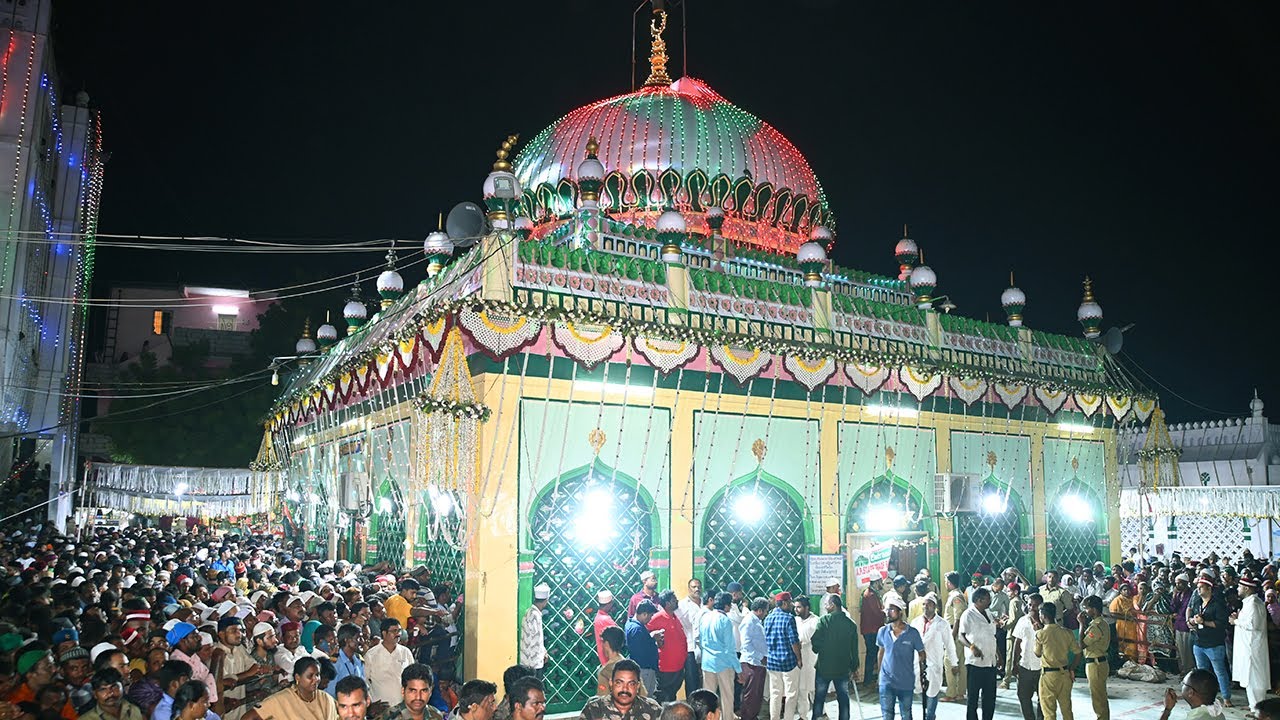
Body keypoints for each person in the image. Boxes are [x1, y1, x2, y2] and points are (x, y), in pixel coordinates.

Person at [243, 657, 339, 720]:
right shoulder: (282, 699)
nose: (316, 680)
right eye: (310, 676)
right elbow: (248, 717)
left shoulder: (325, 699)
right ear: (297, 677)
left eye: (317, 675)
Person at [875, 597, 923, 720]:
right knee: (887, 715)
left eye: (891, 609)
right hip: (887, 682)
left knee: (906, 715)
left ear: (900, 611)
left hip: (905, 682)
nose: (888, 612)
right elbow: (881, 653)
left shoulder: (912, 633)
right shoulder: (883, 631)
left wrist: (921, 673)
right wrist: (880, 676)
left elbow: (921, 653)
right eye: (887, 610)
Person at [810, 595, 857, 720]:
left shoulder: (824, 621)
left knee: (819, 697)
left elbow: (815, 641)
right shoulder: (851, 624)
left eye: (826, 604)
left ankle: (816, 718)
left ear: (833, 605)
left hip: (824, 667)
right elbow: (854, 649)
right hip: (842, 668)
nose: (825, 607)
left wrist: (817, 649)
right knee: (843, 697)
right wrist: (854, 667)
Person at [1188, 576, 1232, 707]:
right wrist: (1193, 621)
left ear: (1209, 588)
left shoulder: (1217, 605)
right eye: (1198, 587)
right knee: (1201, 673)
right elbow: (1191, 618)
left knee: (1220, 671)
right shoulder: (1197, 603)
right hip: (1199, 642)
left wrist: (1204, 622)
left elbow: (1221, 624)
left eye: (1201, 587)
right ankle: (1203, 697)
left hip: (1214, 644)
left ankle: (1226, 698)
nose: (1198, 589)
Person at [911, 594, 956, 720]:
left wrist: (954, 663)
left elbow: (949, 644)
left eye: (929, 604)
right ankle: (928, 712)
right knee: (918, 689)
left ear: (934, 606)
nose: (926, 607)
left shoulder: (942, 624)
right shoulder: (915, 623)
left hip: (934, 663)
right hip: (917, 663)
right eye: (924, 604)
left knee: (932, 691)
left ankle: (930, 715)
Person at [958, 587, 1000, 720]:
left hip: (990, 662)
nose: (990, 601)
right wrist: (971, 647)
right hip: (975, 663)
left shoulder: (988, 613)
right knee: (973, 699)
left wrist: (998, 654)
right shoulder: (968, 614)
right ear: (979, 600)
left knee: (989, 698)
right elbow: (961, 636)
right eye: (988, 598)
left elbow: (991, 636)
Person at [1033, 602, 1079, 720]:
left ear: (1043, 616)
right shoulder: (1067, 632)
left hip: (1048, 676)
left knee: (1049, 712)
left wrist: (1037, 634)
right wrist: (1072, 668)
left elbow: (1037, 653)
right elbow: (1078, 653)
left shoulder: (1041, 634)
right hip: (1064, 674)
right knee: (1067, 709)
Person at [1230, 577, 1270, 711]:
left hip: (1252, 648)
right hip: (1247, 647)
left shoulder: (1253, 603)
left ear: (1246, 588)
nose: (1237, 589)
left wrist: (1235, 621)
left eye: (1240, 587)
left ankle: (1258, 710)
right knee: (1249, 679)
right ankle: (1253, 705)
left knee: (1254, 679)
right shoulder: (1249, 603)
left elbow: (1253, 624)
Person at [698, 593, 740, 720]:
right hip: (724, 664)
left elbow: (701, 641)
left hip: (707, 663)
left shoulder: (705, 618)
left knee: (708, 698)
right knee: (727, 697)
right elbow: (730, 648)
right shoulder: (725, 620)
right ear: (727, 605)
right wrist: (738, 669)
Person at [579, 659, 662, 720]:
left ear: (638, 686)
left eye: (631, 684)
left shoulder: (652, 709)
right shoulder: (595, 708)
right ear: (611, 683)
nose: (625, 688)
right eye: (619, 683)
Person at [764, 591, 802, 720]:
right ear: (784, 603)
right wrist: (799, 658)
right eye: (790, 602)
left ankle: (774, 718)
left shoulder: (767, 618)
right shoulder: (789, 618)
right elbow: (794, 641)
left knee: (775, 693)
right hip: (788, 663)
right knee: (791, 694)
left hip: (772, 662)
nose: (792, 605)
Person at [366, 619, 416, 708]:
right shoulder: (371, 654)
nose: (398, 634)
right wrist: (371, 702)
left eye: (399, 630)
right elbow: (365, 680)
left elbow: (413, 677)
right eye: (394, 631)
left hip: (403, 706)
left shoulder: (405, 652)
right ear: (384, 633)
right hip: (380, 708)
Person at [649, 590, 689, 703]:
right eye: (674, 600)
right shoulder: (657, 618)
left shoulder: (675, 617)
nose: (677, 601)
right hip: (665, 668)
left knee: (672, 696)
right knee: (663, 697)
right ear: (667, 603)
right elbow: (646, 634)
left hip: (678, 667)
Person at [373, 663, 442, 720]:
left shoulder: (436, 715)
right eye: (412, 691)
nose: (418, 697)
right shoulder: (389, 717)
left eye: (424, 691)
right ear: (403, 691)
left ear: (430, 691)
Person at [1080, 596, 1110, 720]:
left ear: (1094, 609)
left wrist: (1081, 624)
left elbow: (1082, 644)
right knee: (1100, 696)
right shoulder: (1101, 623)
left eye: (1087, 608)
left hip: (1095, 664)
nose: (1085, 611)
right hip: (1098, 662)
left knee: (1098, 698)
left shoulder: (1096, 626)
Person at [739, 599, 769, 720]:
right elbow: (746, 644)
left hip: (757, 663)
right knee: (751, 694)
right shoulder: (749, 621)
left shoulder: (756, 621)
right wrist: (761, 657)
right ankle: (748, 717)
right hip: (751, 663)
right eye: (766, 611)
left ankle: (752, 716)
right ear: (760, 610)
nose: (766, 613)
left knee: (756, 694)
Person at [599, 627, 648, 697]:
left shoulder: (605, 672)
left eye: (602, 642)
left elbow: (603, 699)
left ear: (606, 644)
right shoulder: (631, 666)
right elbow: (643, 694)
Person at [79, 668, 146, 720]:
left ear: (122, 686)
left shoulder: (134, 710)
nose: (110, 693)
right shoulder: (87, 718)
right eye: (103, 689)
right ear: (95, 694)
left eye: (114, 687)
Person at [626, 601, 661, 696]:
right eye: (650, 616)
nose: (650, 619)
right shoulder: (637, 629)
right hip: (644, 669)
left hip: (643, 669)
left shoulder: (631, 624)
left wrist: (650, 637)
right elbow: (640, 652)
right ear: (644, 614)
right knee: (645, 697)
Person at [676, 579, 705, 695]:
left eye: (698, 587)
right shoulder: (682, 606)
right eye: (694, 587)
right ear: (689, 589)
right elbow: (677, 624)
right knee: (692, 679)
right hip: (690, 648)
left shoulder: (706, 604)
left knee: (705, 680)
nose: (697, 589)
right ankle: (692, 708)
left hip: (706, 648)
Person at [942, 571, 968, 703]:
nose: (945, 584)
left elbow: (958, 618)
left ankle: (951, 693)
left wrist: (952, 637)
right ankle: (960, 692)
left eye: (946, 581)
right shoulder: (955, 595)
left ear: (949, 583)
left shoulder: (956, 596)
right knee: (960, 663)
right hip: (956, 633)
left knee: (949, 661)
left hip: (954, 632)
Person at [1157, 669, 1221, 720]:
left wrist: (1167, 710)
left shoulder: (1196, 718)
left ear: (1191, 692)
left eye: (1183, 683)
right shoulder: (1218, 714)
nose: (1182, 686)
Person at [793, 597, 818, 720]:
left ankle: (821, 713)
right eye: (795, 607)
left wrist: (799, 642)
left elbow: (807, 638)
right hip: (798, 658)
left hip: (811, 658)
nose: (796, 609)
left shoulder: (815, 621)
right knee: (801, 689)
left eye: (799, 607)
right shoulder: (795, 620)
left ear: (806, 608)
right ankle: (803, 715)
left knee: (814, 688)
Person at [859, 577, 886, 689]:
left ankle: (870, 679)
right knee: (871, 654)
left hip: (871, 628)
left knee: (873, 654)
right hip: (871, 629)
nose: (881, 583)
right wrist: (886, 613)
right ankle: (868, 680)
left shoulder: (871, 593)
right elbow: (877, 612)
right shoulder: (870, 595)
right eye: (880, 581)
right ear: (876, 582)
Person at [520, 584, 550, 677]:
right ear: (545, 601)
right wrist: (542, 654)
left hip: (529, 661)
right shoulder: (535, 615)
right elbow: (535, 640)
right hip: (532, 662)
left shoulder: (530, 612)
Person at [329, 625, 366, 697]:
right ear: (347, 640)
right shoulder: (335, 663)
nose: (362, 641)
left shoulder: (358, 660)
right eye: (358, 638)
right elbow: (331, 692)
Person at [1170, 574, 1194, 675]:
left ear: (1186, 583)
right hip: (1178, 625)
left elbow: (1186, 609)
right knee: (1179, 652)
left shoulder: (1191, 594)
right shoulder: (1178, 594)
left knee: (1187, 652)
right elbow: (1172, 608)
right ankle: (1182, 671)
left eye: (1180, 583)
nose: (1178, 585)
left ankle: (1188, 672)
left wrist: (1178, 615)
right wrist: (1174, 596)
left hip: (1186, 626)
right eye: (1176, 583)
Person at [1108, 584, 1138, 662]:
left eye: (1128, 590)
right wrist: (1127, 617)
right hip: (1122, 625)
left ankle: (1133, 660)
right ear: (1121, 591)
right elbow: (1113, 613)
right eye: (1124, 590)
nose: (1127, 591)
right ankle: (1126, 660)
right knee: (1124, 642)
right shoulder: (1117, 600)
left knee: (1133, 642)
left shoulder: (1132, 599)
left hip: (1133, 625)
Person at [595, 591, 621, 666]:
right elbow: (619, 635)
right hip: (610, 657)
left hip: (604, 656)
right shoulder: (605, 620)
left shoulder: (598, 617)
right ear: (609, 604)